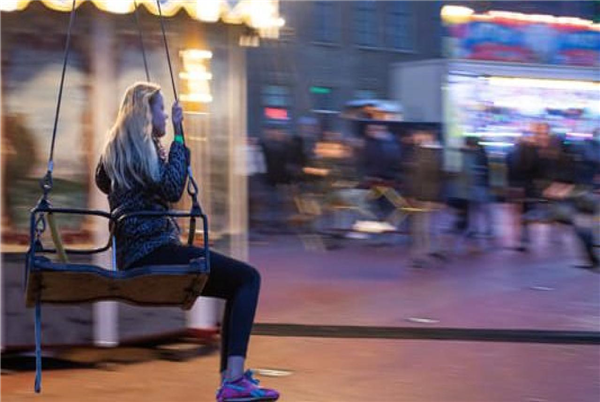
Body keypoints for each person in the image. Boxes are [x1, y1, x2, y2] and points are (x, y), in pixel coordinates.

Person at [95, 82, 280, 402]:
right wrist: (179, 136)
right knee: (248, 278)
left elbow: (102, 182)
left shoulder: (113, 155)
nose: (166, 115)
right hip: (157, 252)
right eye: (161, 109)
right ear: (146, 113)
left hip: (131, 258)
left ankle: (233, 380)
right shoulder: (147, 151)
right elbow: (172, 189)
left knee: (235, 285)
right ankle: (233, 379)